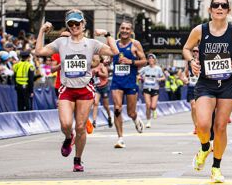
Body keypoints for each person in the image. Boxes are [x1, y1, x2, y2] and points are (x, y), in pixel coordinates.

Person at [33, 10, 119, 171]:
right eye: (70, 24)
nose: (74, 27)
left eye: (77, 23)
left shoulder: (91, 43)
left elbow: (114, 52)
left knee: (80, 126)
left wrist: (107, 34)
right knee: (66, 124)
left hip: (85, 89)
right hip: (67, 89)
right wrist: (41, 31)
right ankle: (68, 137)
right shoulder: (61, 43)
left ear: (83, 24)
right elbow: (39, 52)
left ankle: (78, 160)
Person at [184, 0, 232, 183]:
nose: (220, 8)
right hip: (206, 82)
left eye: (223, 5)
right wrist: (192, 62)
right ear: (210, 9)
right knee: (203, 124)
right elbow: (186, 48)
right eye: (216, 5)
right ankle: (205, 147)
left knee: (221, 126)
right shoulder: (200, 30)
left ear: (228, 10)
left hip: (228, 83)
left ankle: (216, 167)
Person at [110, 21, 147, 149]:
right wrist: (105, 61)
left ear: (131, 31)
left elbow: (144, 61)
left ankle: (136, 119)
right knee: (117, 108)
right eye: (122, 28)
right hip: (116, 82)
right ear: (119, 30)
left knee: (131, 112)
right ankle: (120, 138)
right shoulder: (113, 44)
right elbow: (108, 58)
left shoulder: (135, 44)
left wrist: (130, 61)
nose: (125, 30)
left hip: (130, 82)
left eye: (127, 29)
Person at [139, 54, 166, 128]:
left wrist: (159, 79)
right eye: (149, 59)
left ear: (154, 60)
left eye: (152, 59)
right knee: (148, 105)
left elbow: (163, 77)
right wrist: (141, 78)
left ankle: (154, 110)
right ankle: (148, 122)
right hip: (146, 88)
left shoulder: (158, 69)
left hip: (155, 88)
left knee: (153, 106)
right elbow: (138, 75)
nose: (151, 60)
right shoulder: (145, 69)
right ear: (148, 60)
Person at [90, 55, 112, 128]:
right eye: (94, 57)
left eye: (96, 57)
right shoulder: (91, 65)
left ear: (99, 58)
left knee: (106, 105)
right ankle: (94, 121)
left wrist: (98, 73)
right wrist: (92, 73)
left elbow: (105, 75)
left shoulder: (102, 65)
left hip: (104, 87)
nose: (95, 58)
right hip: (96, 87)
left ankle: (109, 117)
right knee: (95, 103)